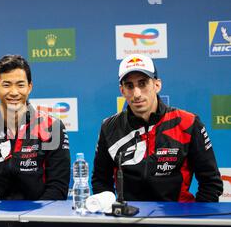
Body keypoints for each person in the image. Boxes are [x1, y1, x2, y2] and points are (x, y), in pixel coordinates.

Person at [91, 53, 223, 202]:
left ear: (157, 85)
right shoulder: (109, 127)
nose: (137, 94)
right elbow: (100, 182)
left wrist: (195, 220)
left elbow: (211, 183)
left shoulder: (188, 123)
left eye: (142, 83)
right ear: (122, 91)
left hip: (178, 218)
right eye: (129, 86)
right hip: (128, 217)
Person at [0, 54, 70, 200]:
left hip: (41, 218)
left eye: (20, 85)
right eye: (6, 85)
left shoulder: (52, 127)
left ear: (29, 87)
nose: (14, 92)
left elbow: (58, 189)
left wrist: (31, 219)